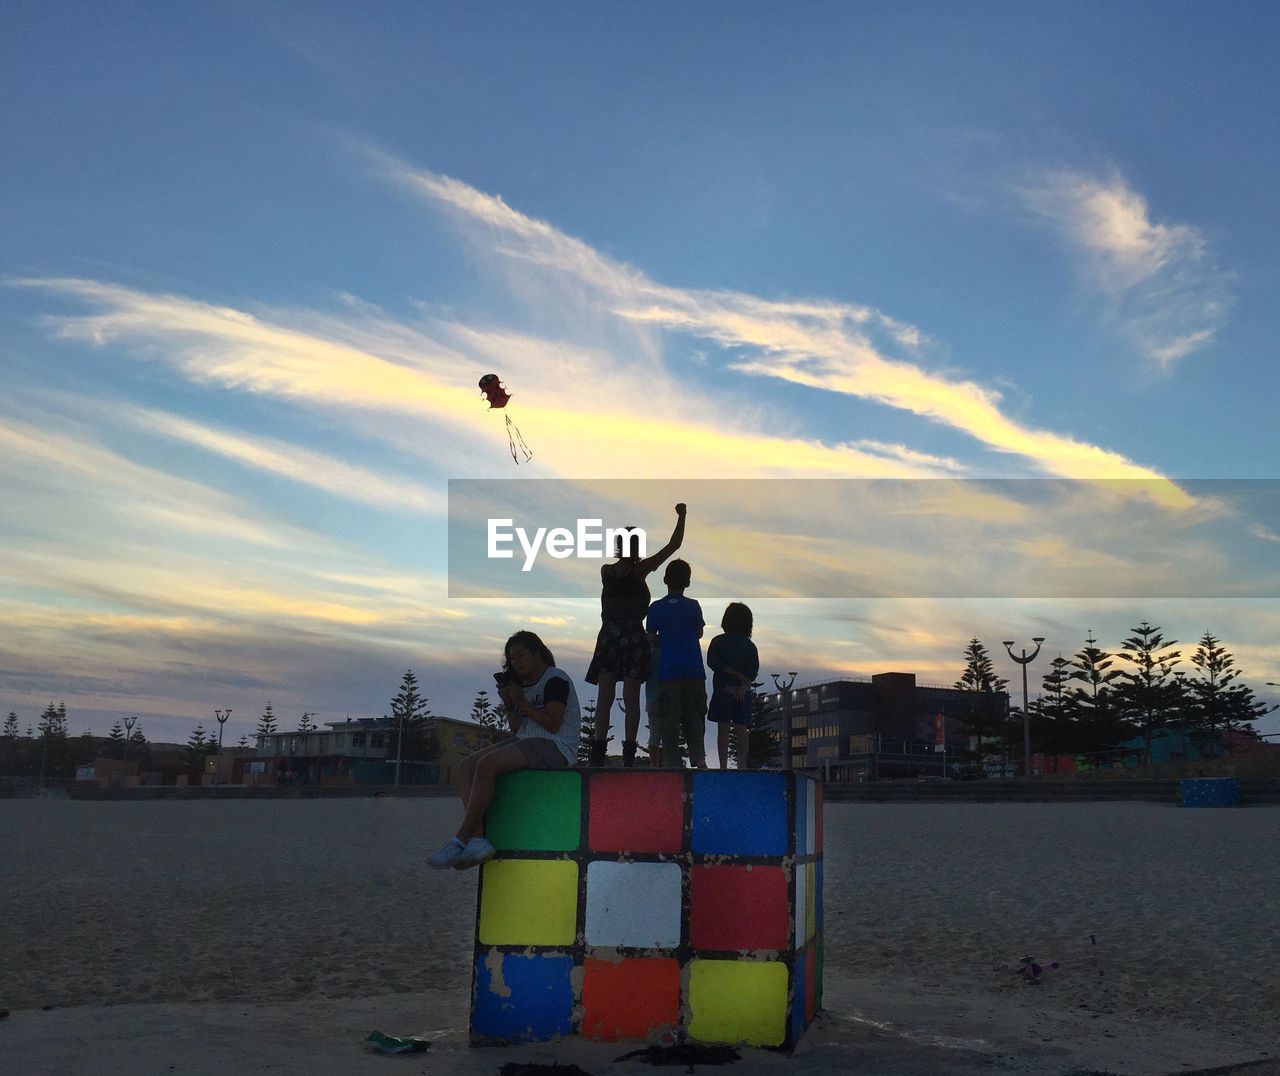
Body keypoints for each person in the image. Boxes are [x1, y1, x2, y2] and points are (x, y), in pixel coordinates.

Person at [427, 631, 581, 869]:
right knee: (465, 766)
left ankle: (460, 839)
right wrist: (511, 705)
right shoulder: (524, 686)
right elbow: (519, 730)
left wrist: (521, 702)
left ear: (537, 654)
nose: (516, 662)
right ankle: (477, 839)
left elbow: (553, 724)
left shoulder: (555, 679)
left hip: (557, 747)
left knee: (486, 765)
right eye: (512, 658)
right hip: (528, 742)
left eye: (521, 655)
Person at [586, 504, 687, 767]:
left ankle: (597, 752)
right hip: (632, 636)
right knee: (631, 698)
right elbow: (673, 545)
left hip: (609, 636)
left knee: (604, 697)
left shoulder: (606, 571)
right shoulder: (639, 571)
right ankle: (629, 754)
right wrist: (682, 516)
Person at [646, 559, 707, 767]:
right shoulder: (693, 606)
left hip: (668, 670)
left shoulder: (655, 608)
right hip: (693, 668)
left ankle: (672, 763)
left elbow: (652, 638)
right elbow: (699, 632)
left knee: (669, 719)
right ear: (688, 583)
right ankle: (699, 757)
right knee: (695, 717)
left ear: (664, 580)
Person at [706, 602, 759, 769]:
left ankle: (723, 765)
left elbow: (712, 662)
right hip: (744, 692)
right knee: (741, 728)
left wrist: (728, 671)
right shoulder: (750, 646)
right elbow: (753, 669)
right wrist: (743, 686)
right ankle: (742, 764)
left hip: (723, 690)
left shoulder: (718, 641)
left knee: (723, 728)